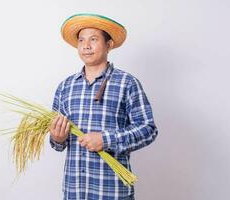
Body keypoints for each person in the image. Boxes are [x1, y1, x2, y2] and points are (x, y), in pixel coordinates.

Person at [49, 13, 158, 200]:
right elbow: (57, 144)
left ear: (109, 45)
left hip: (112, 191)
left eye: (93, 39)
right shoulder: (65, 87)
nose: (86, 46)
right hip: (74, 191)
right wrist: (57, 138)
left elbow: (148, 129)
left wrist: (106, 140)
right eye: (81, 40)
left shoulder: (127, 83)